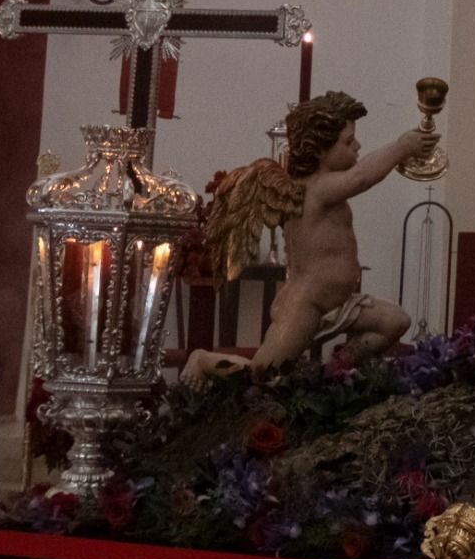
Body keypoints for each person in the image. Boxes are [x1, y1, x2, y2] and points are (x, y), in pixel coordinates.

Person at [181, 91, 436, 382]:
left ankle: (334, 372)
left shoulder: (325, 189)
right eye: (348, 142)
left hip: (342, 303)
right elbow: (362, 177)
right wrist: (403, 147)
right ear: (319, 150)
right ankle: (204, 360)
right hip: (307, 304)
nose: (358, 146)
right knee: (262, 374)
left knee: (394, 322)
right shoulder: (314, 189)